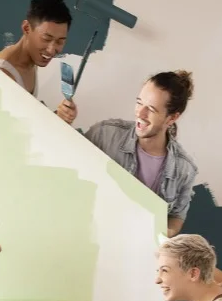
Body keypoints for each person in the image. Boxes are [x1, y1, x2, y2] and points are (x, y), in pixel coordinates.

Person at [84, 70, 198, 237]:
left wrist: (160, 234)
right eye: (139, 103)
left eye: (151, 109)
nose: (140, 113)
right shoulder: (103, 134)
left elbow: (176, 216)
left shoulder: (185, 169)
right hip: (87, 233)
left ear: (171, 118)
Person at [0, 0, 78, 125]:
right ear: (26, 28)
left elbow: (23, 118)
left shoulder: (32, 60)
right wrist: (56, 121)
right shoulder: (1, 75)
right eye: (46, 38)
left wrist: (60, 116)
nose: (51, 50)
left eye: (60, 41)